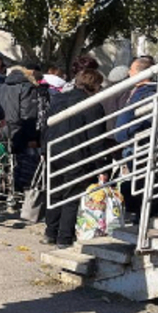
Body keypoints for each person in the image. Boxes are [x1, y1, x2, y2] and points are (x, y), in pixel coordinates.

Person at [43, 69, 108, 247]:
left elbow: (45, 126)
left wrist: (44, 150)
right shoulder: (92, 105)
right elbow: (96, 138)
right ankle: (64, 238)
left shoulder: (58, 100)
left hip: (53, 152)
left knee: (55, 193)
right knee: (72, 197)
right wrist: (102, 165)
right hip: (77, 155)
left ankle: (50, 232)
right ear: (94, 86)